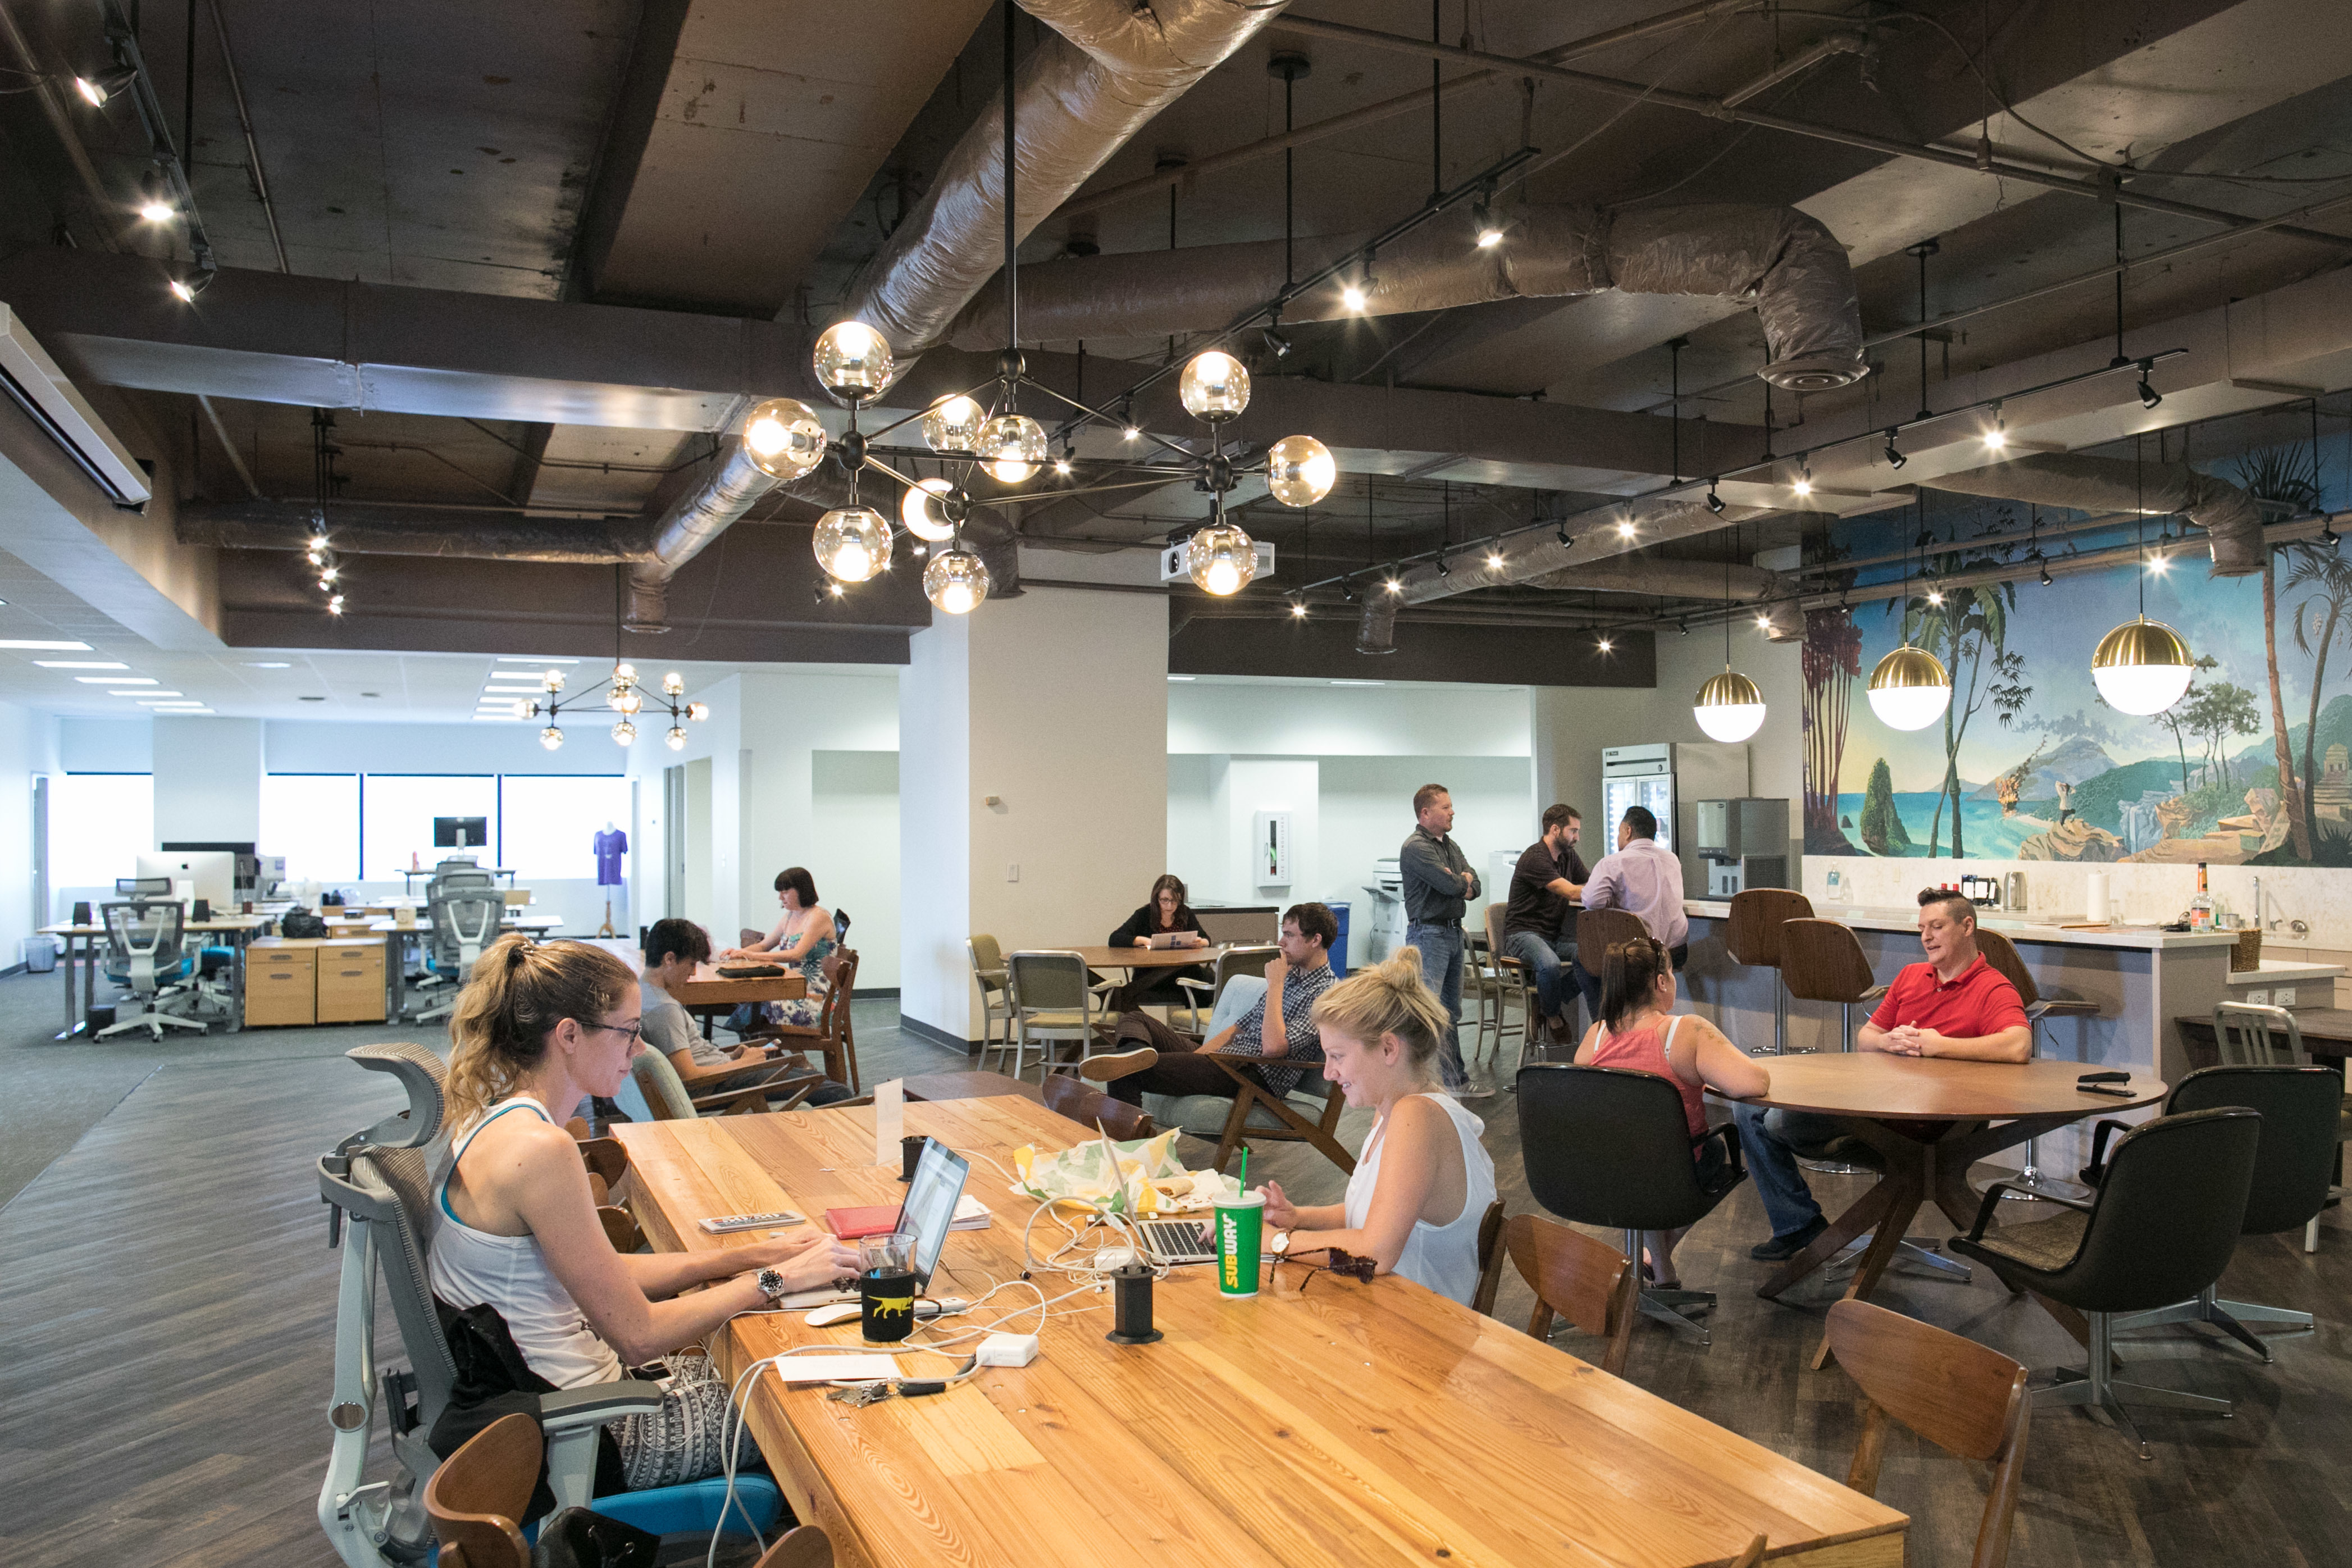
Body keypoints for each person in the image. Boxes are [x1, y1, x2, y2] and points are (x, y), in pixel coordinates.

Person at [429, 935, 858, 1488]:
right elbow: (637, 1333)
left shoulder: (489, 1122)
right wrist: (777, 1277)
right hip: (594, 1432)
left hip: (573, 1405)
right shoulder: (543, 1151)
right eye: (628, 1031)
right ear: (569, 1034)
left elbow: (601, 1271)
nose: (637, 1049)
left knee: (796, 1354)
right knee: (829, 1397)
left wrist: (757, 1252)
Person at [1731, 887, 2030, 1260]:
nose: (1926, 937)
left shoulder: (1991, 986)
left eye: (1937, 927)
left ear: (1967, 926)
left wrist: (1937, 1045)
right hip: (1872, 1101)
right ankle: (1798, 1225)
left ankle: (1803, 1229)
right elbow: (1866, 1037)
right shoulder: (1911, 976)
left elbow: (2018, 1046)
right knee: (1747, 1106)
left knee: (1777, 1121)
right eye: (1922, 928)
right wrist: (1888, 1041)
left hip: (1924, 1123)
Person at [1257, 949, 1498, 1305]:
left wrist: (1274, 1243)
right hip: (1387, 1312)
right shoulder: (1396, 1111)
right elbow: (1380, 1212)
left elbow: (1375, 1251)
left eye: (1337, 1056)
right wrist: (1299, 1217)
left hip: (1422, 1336)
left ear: (1388, 1048)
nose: (1328, 1072)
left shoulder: (1417, 1117)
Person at [1575, 935, 1768, 1288]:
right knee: (1711, 1151)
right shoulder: (1686, 1030)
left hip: (1603, 1171)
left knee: (1638, 1155)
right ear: (1661, 981)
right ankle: (1659, 1268)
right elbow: (1751, 1083)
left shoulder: (1596, 1035)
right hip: (1674, 1173)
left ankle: (1658, 1270)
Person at [1098, 902, 1337, 1107]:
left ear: (1315, 940)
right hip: (1224, 1060)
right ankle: (1131, 1055)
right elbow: (1239, 1028)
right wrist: (1200, 1056)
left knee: (1124, 1073)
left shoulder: (1327, 995)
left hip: (1251, 1074)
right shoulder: (1290, 976)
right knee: (1133, 1018)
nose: (1280, 942)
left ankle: (1130, 1154)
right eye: (1282, 933)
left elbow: (1273, 1049)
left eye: (1290, 935)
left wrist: (1275, 985)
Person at [642, 917, 853, 1105]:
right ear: (669, 959)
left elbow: (688, 1061)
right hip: (720, 1084)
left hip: (724, 1073)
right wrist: (742, 1065)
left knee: (807, 1076)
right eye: (691, 964)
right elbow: (689, 1076)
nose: (693, 972)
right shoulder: (664, 1010)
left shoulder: (643, 992)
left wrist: (732, 1056)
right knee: (837, 1092)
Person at [1569, 806, 1688, 1028]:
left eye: (1618, 832)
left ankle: (1605, 1028)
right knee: (1619, 962)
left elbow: (1592, 902)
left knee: (1583, 957)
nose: (1617, 837)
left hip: (1638, 953)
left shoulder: (1613, 862)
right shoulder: (1672, 859)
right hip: (1674, 951)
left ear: (1628, 831)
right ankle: (1640, 1024)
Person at [1398, 783, 1480, 1095]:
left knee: (1449, 1012)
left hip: (1452, 932)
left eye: (1450, 806)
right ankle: (1418, 1082)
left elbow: (1474, 884)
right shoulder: (1415, 847)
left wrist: (1462, 880)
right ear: (1426, 813)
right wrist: (1461, 881)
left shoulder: (1450, 845)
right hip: (1429, 933)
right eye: (1445, 807)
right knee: (1426, 1011)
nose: (1452, 812)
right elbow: (1450, 886)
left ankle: (1454, 1081)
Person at [1502, 804, 1590, 1042]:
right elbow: (1572, 892)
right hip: (1522, 935)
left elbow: (1591, 883)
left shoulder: (1568, 856)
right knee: (1549, 964)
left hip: (1552, 937)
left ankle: (1546, 998)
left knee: (1594, 955)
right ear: (1555, 830)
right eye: (1573, 831)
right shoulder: (1535, 858)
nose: (1577, 838)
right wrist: (1590, 889)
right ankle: (1553, 1016)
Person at [721, 867, 836, 1029]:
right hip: (795, 990)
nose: (780, 897)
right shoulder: (790, 916)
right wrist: (738, 953)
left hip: (815, 998)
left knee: (759, 1008)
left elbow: (797, 954)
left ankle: (763, 1049)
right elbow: (764, 946)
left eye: (785, 892)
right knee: (755, 1004)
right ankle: (761, 1049)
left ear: (801, 890)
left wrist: (750, 955)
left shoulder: (819, 917)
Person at [1103, 873, 1213, 1012]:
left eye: (1175, 901)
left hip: (1181, 976)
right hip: (1151, 977)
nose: (1170, 905)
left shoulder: (1185, 913)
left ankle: (1196, 1026)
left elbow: (1207, 939)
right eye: (1165, 900)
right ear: (1156, 899)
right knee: (1204, 979)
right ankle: (1198, 1026)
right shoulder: (1144, 915)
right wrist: (1142, 940)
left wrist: (1200, 942)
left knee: (1204, 978)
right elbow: (1115, 938)